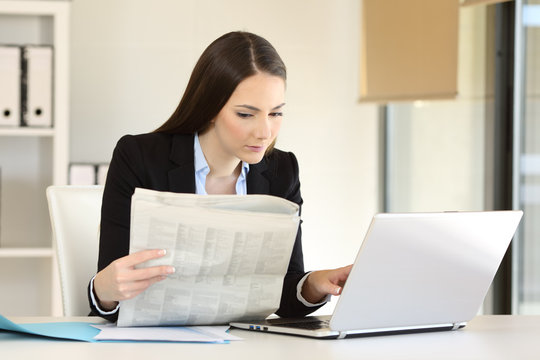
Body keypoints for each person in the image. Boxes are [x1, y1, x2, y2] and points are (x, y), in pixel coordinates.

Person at [88, 31, 352, 322]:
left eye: (275, 114)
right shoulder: (138, 158)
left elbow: (280, 295)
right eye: (246, 114)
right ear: (210, 108)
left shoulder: (282, 171)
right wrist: (103, 290)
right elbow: (113, 288)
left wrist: (313, 284)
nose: (264, 132)